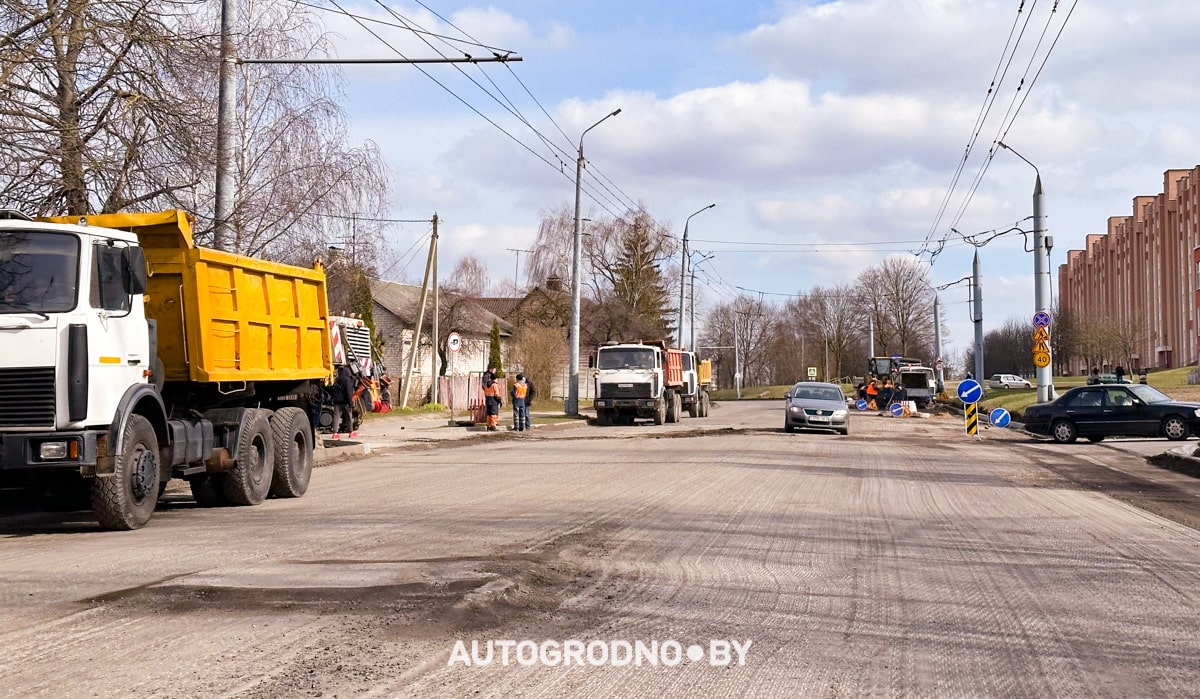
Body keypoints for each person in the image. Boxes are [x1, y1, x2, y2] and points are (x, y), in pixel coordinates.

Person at [331, 364, 356, 437]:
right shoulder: (347, 380)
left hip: (336, 401)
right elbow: (348, 392)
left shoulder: (336, 379)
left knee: (336, 417)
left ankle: (335, 433)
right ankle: (351, 432)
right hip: (345, 402)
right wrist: (350, 402)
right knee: (348, 416)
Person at [482, 367, 502, 431]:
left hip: (488, 400)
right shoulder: (494, 385)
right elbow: (497, 394)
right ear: (495, 379)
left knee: (489, 414)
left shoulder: (486, 385)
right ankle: (493, 426)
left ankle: (488, 425)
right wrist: (500, 400)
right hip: (494, 401)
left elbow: (485, 392)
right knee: (494, 414)